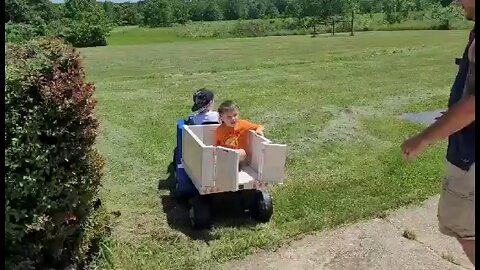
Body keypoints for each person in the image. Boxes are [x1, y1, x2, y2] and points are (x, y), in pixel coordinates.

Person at [401, 0, 475, 265]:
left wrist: (424, 138)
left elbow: (474, 105)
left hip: (471, 157)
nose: (456, 2)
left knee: (463, 226)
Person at [215, 100, 264, 167]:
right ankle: (227, 165)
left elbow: (259, 126)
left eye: (235, 115)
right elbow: (218, 145)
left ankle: (233, 165)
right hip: (226, 154)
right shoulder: (220, 130)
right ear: (221, 117)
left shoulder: (242, 124)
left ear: (238, 113)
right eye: (229, 117)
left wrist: (258, 130)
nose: (233, 118)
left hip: (239, 156)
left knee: (242, 153)